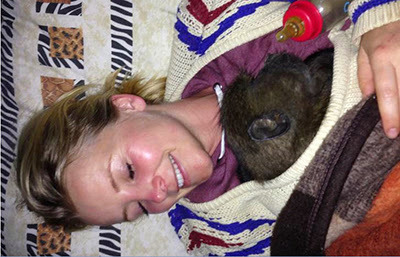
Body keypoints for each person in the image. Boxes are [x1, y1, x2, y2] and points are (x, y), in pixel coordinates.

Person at [15, 0, 399, 245]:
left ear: (127, 106)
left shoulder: (208, 19)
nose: (155, 194)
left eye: (130, 171)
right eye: (139, 210)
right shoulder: (212, 235)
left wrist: (379, 16)